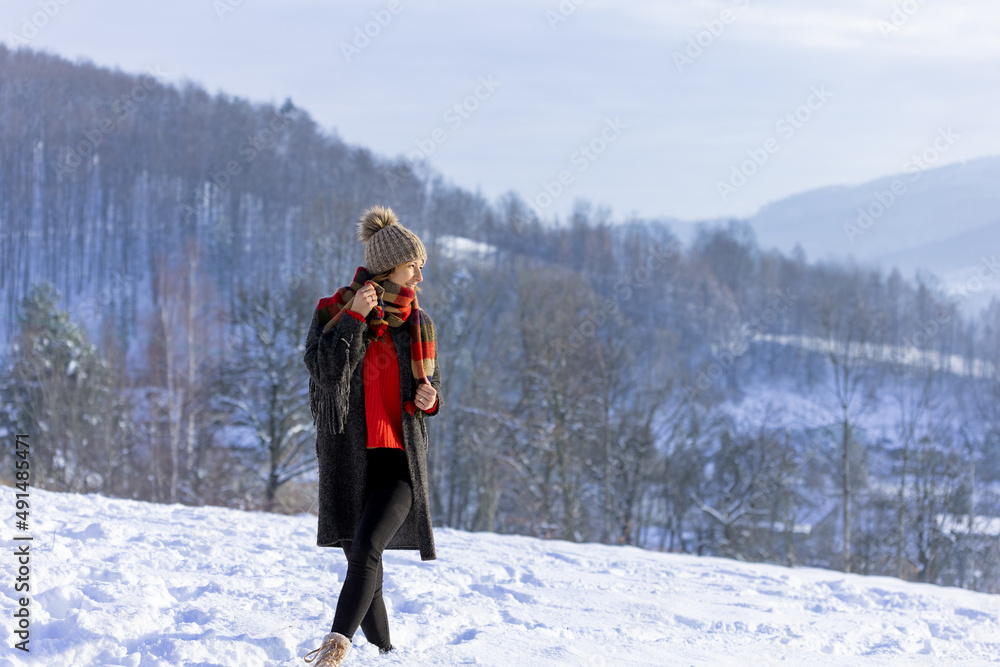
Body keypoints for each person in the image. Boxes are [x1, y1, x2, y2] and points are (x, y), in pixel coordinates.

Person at [302, 205, 443, 666]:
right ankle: (385, 653)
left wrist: (430, 399)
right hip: (349, 460)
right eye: (412, 266)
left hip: (399, 464)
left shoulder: (419, 325)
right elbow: (325, 374)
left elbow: (434, 390)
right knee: (367, 569)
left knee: (366, 549)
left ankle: (334, 649)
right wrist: (353, 320)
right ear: (388, 268)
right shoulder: (333, 311)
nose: (419, 275)